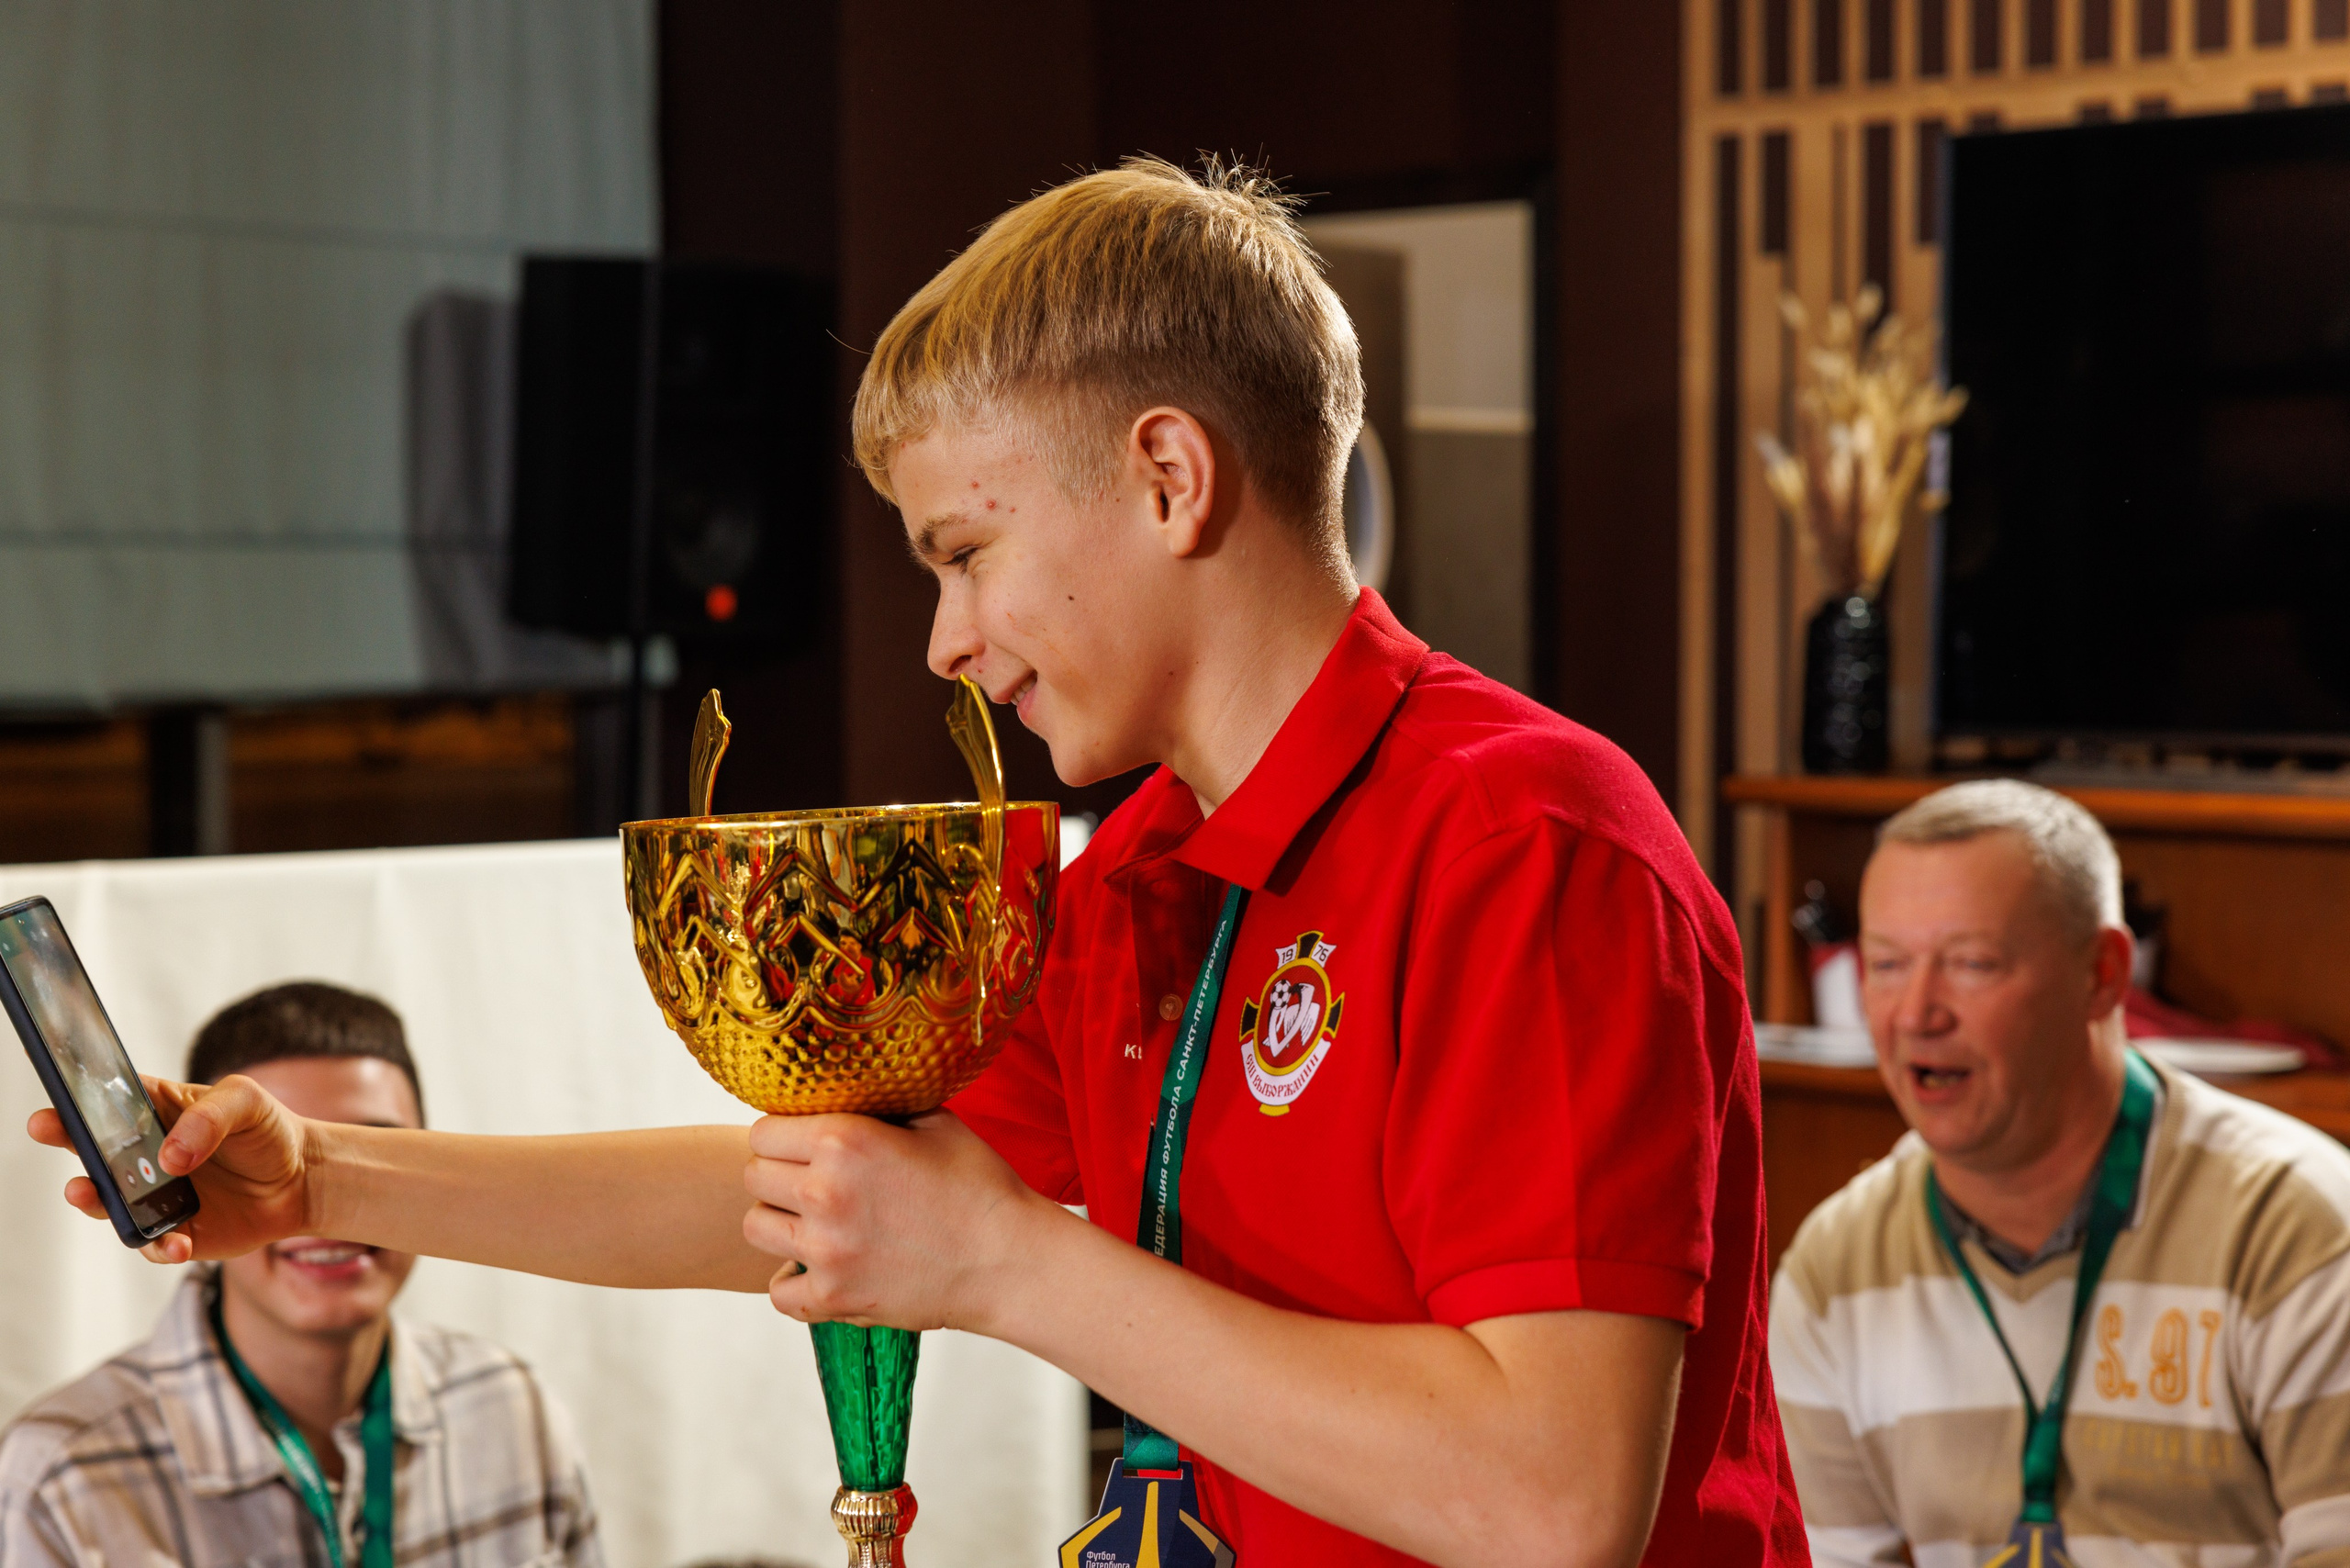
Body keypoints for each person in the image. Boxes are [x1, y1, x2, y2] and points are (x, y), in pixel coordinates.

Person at [28, 159, 1805, 1568]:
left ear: (1170, 477)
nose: (948, 640)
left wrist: (1013, 1266)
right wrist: (326, 1176)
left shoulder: (1523, 847)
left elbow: (1549, 1497)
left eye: (965, 550)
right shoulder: (1146, 878)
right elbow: (816, 1192)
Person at [1769, 780, 2350, 1566]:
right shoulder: (1834, 1270)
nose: (1916, 1013)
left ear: (2104, 974)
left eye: (1971, 963)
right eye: (1886, 964)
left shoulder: (2300, 1230)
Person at [3, 982, 602, 1568]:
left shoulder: (511, 1406)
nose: (326, 1211)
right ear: (196, 1168)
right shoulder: (58, 1478)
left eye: (368, 1155)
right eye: (270, 1160)